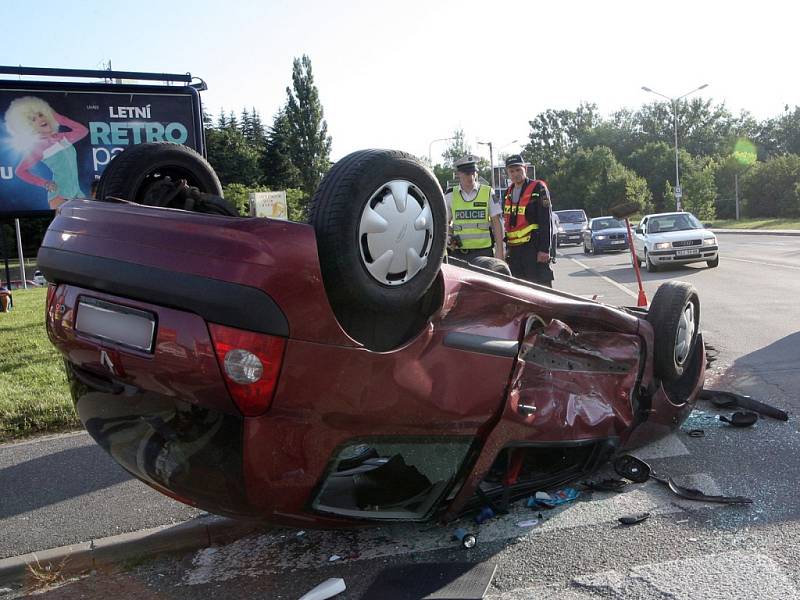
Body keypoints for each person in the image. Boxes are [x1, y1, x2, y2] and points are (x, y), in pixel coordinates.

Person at [4, 96, 89, 210]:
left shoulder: (62, 137)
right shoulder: (38, 147)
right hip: (59, 194)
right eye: (33, 119)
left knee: (87, 226)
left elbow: (83, 131)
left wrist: (60, 118)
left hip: (77, 193)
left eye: (41, 115)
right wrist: (44, 183)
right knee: (63, 228)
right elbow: (20, 171)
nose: (40, 119)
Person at [502, 154, 554, 286]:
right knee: (519, 288)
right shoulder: (507, 192)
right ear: (508, 173)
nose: (515, 174)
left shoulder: (538, 188)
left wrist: (544, 249)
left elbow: (546, 220)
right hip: (514, 251)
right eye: (511, 171)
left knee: (539, 287)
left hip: (533, 247)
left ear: (525, 168)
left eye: (518, 170)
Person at [445, 154, 504, 264]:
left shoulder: (489, 192)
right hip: (458, 254)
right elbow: (444, 223)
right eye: (467, 173)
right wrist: (449, 237)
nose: (471, 177)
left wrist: (500, 251)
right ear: (458, 174)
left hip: (484, 253)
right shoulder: (450, 195)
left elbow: (497, 222)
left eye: (473, 173)